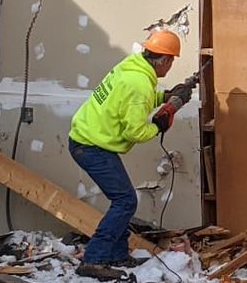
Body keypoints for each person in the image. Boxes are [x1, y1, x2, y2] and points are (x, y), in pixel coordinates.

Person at [67, 28, 192, 267]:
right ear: (165, 60)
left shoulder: (132, 66)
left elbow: (135, 99)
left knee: (124, 199)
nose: (171, 66)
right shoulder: (139, 84)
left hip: (87, 139)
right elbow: (133, 132)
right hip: (91, 146)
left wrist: (166, 97)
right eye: (172, 61)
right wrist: (159, 125)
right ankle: (94, 259)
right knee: (125, 201)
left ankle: (115, 254)